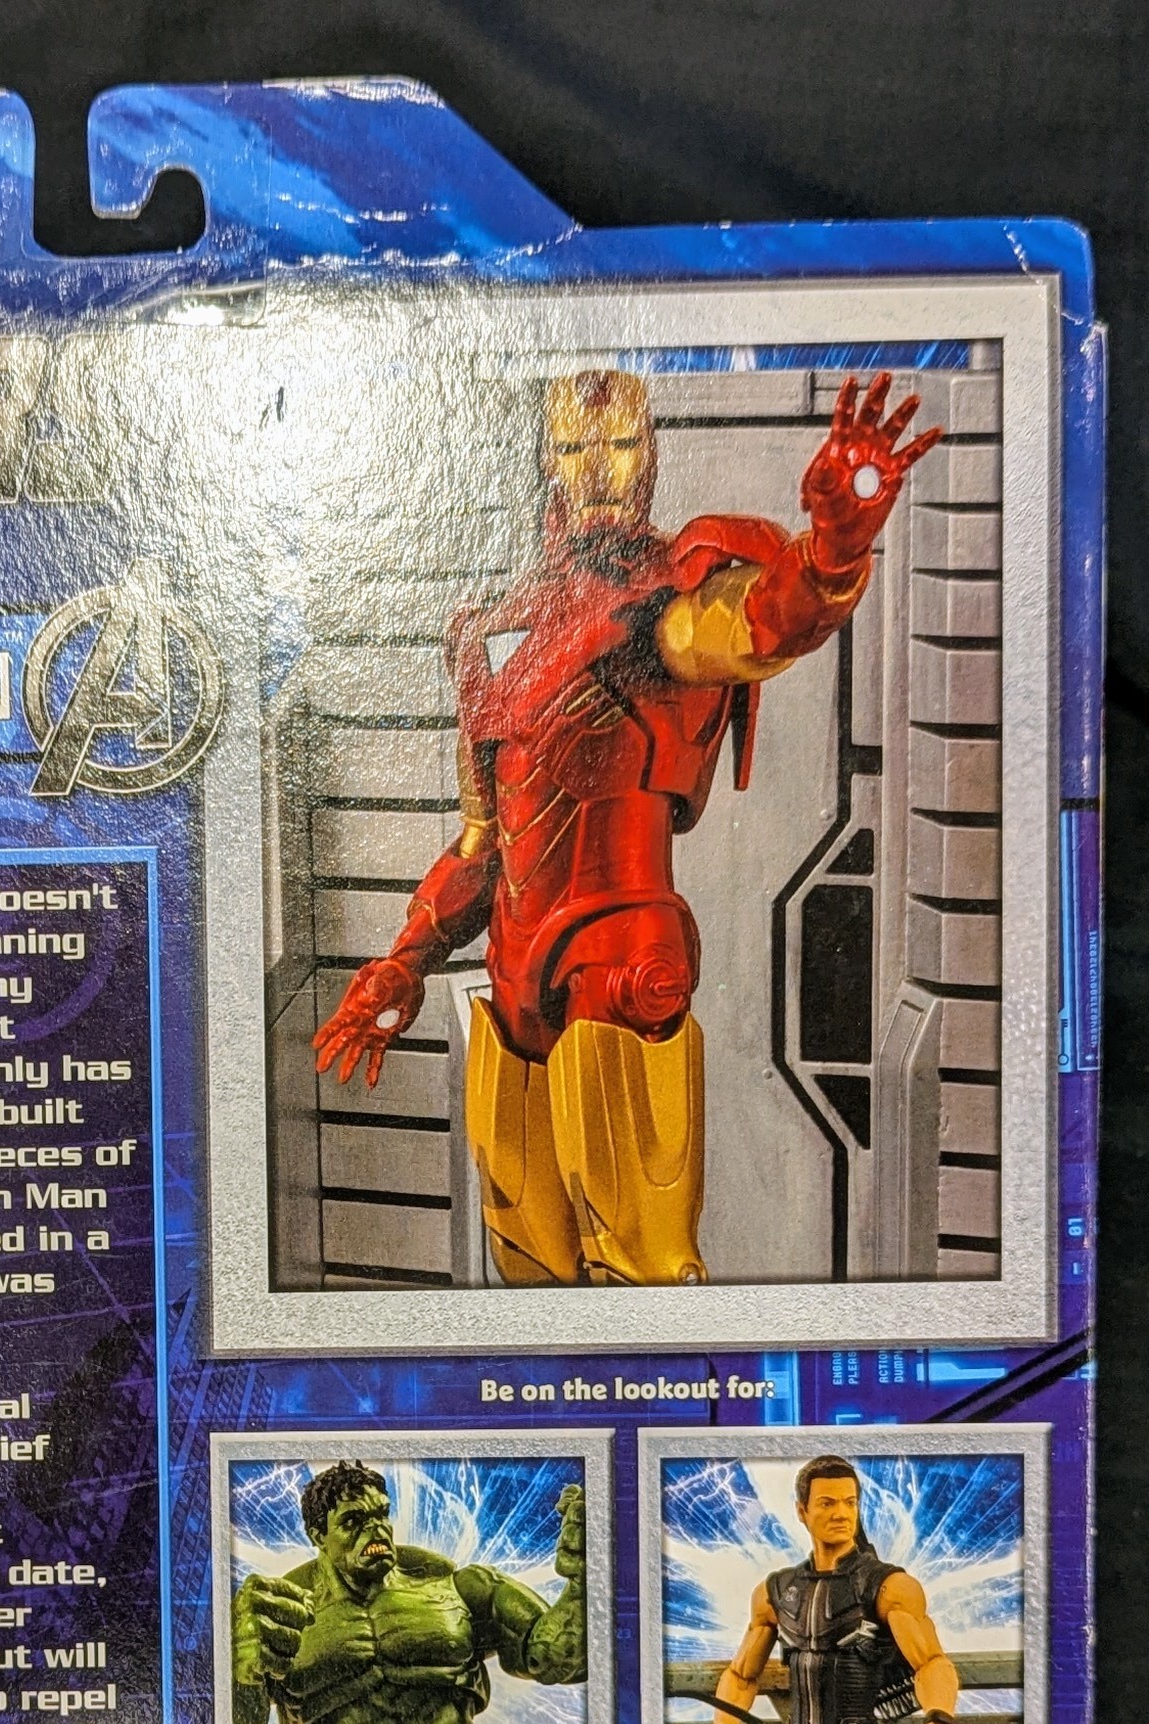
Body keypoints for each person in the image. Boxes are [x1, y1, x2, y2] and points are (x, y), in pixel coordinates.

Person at [313, 369, 941, 1285]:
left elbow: (749, 625)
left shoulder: (665, 594)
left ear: (651, 453)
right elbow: (482, 843)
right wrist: (405, 960)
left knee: (642, 1269)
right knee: (528, 1271)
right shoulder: (492, 630)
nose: (597, 469)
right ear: (546, 463)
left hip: (617, 957)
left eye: (618, 445)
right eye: (574, 448)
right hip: (515, 987)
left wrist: (831, 557)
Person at [232, 1459, 585, 1724]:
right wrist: (240, 1671)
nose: (375, 1528)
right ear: (319, 1535)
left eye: (381, 1514)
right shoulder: (280, 1615)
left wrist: (583, 1581)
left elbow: (553, 1657)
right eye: (353, 1521)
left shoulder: (455, 1587)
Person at [705, 1453, 960, 1724]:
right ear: (802, 1512)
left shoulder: (889, 1586)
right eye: (827, 1503)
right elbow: (741, 1675)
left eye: (849, 1502)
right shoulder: (776, 1591)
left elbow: (932, 1662)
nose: (841, 1513)